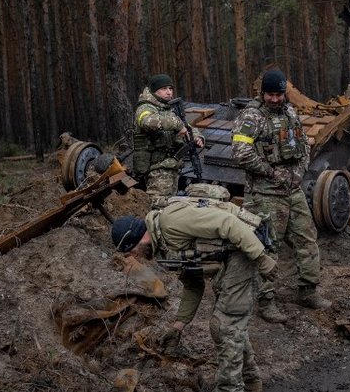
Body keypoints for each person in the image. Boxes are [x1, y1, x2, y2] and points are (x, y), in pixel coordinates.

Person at [110, 183, 277, 392]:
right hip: (231, 257)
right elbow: (193, 283)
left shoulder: (171, 222)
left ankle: (230, 388)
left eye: (131, 252)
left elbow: (228, 223)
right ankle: (252, 381)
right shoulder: (161, 247)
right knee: (230, 325)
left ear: (135, 240)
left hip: (246, 248)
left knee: (225, 325)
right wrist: (179, 325)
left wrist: (261, 257)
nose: (134, 258)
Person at [231, 69, 331, 323]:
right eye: (271, 94)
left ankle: (308, 290)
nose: (275, 99)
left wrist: (299, 171)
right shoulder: (252, 117)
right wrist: (270, 173)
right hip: (265, 193)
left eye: (279, 94)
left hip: (292, 190)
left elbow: (303, 146)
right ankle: (266, 301)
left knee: (307, 239)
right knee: (267, 247)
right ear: (263, 93)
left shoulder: (290, 112)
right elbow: (241, 152)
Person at [131, 73, 205, 210]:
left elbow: (186, 126)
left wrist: (197, 137)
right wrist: (177, 125)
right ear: (154, 90)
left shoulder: (169, 108)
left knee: (171, 207)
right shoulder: (145, 108)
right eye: (164, 88)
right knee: (159, 208)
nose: (169, 92)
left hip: (172, 166)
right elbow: (147, 122)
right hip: (156, 167)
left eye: (170, 89)